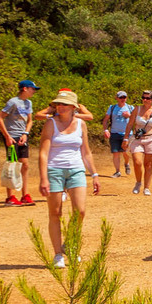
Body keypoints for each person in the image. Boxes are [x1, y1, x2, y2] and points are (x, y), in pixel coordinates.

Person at [38, 88, 97, 268]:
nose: (60, 107)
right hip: (54, 170)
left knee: (80, 211)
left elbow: (86, 152)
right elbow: (43, 153)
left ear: (73, 107)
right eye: (58, 104)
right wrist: (43, 178)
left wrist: (94, 174)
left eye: (64, 104)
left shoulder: (81, 124)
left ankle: (70, 244)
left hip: (76, 170)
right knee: (56, 213)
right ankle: (58, 254)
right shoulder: (50, 124)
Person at [0, 79, 38, 206]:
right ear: (25, 88)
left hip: (22, 136)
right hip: (11, 136)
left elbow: (30, 120)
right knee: (12, 164)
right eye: (32, 89)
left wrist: (26, 133)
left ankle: (25, 195)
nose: (34, 91)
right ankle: (10, 197)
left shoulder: (28, 103)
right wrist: (7, 136)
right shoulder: (13, 102)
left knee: (24, 165)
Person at [128, 89, 152, 195]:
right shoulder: (137, 109)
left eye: (147, 98)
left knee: (148, 164)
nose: (145, 100)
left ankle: (146, 187)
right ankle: (138, 182)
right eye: (143, 97)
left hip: (151, 138)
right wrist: (126, 138)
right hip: (137, 138)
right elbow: (130, 124)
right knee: (137, 162)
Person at [104, 88, 132, 179]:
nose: (122, 99)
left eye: (124, 97)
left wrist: (129, 116)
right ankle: (117, 171)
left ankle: (127, 164)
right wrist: (106, 130)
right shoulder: (112, 108)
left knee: (125, 152)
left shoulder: (130, 108)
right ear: (117, 98)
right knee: (116, 153)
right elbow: (105, 120)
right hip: (114, 133)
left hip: (127, 134)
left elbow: (137, 120)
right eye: (121, 97)